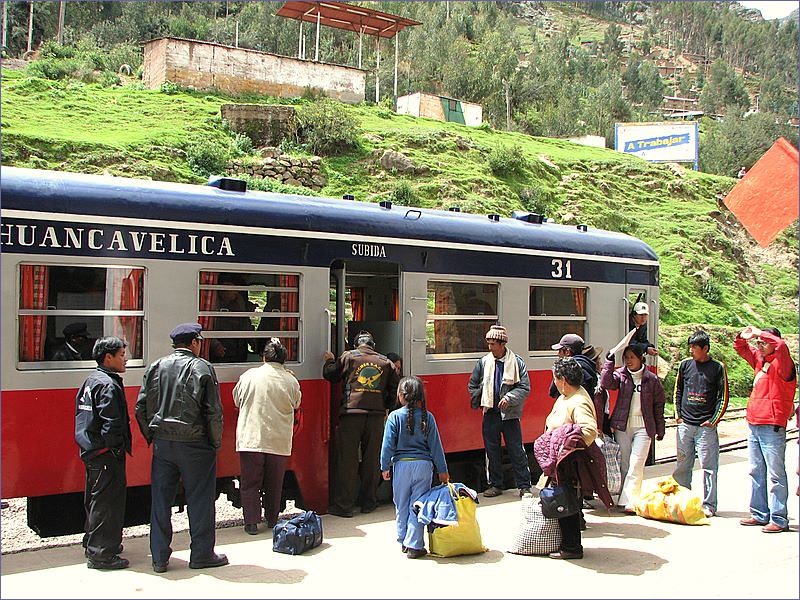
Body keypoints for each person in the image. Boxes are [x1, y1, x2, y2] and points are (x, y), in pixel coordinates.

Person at [135, 323, 227, 573]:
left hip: (164, 444)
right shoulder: (202, 367)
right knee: (200, 499)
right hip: (195, 444)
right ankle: (201, 554)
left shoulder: (157, 366)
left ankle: (159, 558)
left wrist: (151, 437)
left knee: (161, 501)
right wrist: (214, 442)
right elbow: (213, 412)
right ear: (195, 342)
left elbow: (140, 408)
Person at [323, 330, 400, 517]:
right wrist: (385, 407)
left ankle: (344, 506)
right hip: (376, 417)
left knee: (347, 461)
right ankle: (369, 502)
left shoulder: (349, 356)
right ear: (373, 345)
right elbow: (394, 390)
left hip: (351, 415)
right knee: (372, 460)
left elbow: (331, 375)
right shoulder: (386, 362)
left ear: (357, 343)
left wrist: (329, 360)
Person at [233, 338, 302, 535]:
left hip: (251, 438)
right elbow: (297, 403)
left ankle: (251, 523)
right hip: (278, 440)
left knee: (250, 483)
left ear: (264, 357)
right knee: (274, 482)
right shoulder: (291, 380)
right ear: (284, 360)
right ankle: (272, 519)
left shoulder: (249, 376)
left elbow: (236, 400)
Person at [74, 336, 131, 570]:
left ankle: (93, 542)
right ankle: (101, 554)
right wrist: (116, 447)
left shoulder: (91, 380)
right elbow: (112, 422)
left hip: (91, 450)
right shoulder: (107, 384)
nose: (125, 359)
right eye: (121, 355)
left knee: (95, 500)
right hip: (106, 452)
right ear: (108, 358)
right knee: (107, 502)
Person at [734, 325, 797, 533]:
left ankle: (779, 518)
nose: (759, 345)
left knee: (776, 473)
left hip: (772, 424)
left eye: (763, 342)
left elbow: (782, 345)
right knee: (756, 471)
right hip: (754, 421)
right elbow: (741, 347)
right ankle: (759, 513)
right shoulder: (760, 360)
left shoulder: (784, 364)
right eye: (758, 343)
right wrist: (744, 335)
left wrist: (760, 333)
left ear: (772, 343)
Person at [380, 376, 449, 559]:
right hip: (424, 467)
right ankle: (415, 544)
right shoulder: (429, 417)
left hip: (401, 466)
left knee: (401, 504)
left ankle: (403, 540)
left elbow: (387, 445)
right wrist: (442, 471)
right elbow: (436, 446)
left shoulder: (394, 417)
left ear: (401, 396)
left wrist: (384, 465)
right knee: (418, 505)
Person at [541, 357, 602, 560]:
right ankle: (568, 544)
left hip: (570, 463)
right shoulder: (568, 396)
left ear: (564, 380)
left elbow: (589, 431)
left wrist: (565, 444)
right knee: (566, 502)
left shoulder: (579, 401)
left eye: (555, 379)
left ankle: (572, 547)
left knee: (566, 502)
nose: (555, 384)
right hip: (562, 462)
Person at [599, 336, 666, 513]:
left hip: (644, 428)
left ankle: (628, 501)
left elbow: (659, 406)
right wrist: (609, 362)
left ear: (641, 358)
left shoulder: (652, 379)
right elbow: (606, 383)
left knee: (636, 464)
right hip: (623, 426)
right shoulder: (621, 375)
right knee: (625, 464)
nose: (628, 361)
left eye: (632, 357)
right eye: (626, 358)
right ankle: (625, 495)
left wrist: (660, 429)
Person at [468, 325, 532, 498]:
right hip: (490, 412)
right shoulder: (483, 362)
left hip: (510, 414)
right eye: (488, 343)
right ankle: (495, 484)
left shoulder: (516, 362)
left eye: (493, 344)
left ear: (502, 344)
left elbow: (525, 387)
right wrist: (481, 397)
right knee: (491, 450)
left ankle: (524, 485)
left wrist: (509, 398)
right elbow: (472, 384)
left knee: (516, 450)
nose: (490, 347)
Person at [672, 330, 729, 518]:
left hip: (705, 427)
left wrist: (713, 421)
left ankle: (709, 505)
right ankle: (683, 499)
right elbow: (678, 390)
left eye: (695, 347)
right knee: (682, 465)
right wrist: (678, 415)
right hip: (686, 424)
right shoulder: (685, 365)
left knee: (709, 467)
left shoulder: (718, 367)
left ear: (705, 348)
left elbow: (722, 396)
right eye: (690, 347)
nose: (691, 351)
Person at [209, 273, 256, 363]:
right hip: (221, 347)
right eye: (234, 288)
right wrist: (215, 345)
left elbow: (244, 321)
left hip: (239, 348)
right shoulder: (213, 303)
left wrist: (252, 339)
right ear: (224, 288)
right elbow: (206, 326)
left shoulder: (239, 301)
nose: (236, 292)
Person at [548, 333, 598, 400]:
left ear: (567, 352)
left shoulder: (568, 369)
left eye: (560, 350)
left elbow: (553, 392)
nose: (558, 354)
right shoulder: (587, 365)